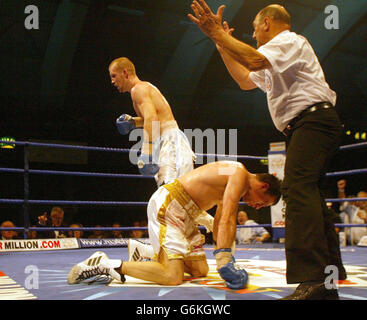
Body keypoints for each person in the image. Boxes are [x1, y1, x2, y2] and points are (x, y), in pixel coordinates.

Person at [188, 1, 346, 299]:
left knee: (298, 191)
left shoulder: (286, 40)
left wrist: (219, 35)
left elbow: (254, 61)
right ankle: (330, 274)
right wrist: (220, 44)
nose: (252, 34)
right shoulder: (276, 54)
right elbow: (247, 80)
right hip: (310, 124)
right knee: (309, 194)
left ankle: (314, 282)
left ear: (266, 23)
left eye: (253, 28)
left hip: (313, 122)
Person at [67, 161, 281, 289]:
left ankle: (145, 252)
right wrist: (224, 257)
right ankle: (105, 264)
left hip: (187, 213)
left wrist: (226, 257)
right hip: (171, 205)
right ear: (263, 186)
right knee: (173, 276)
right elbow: (227, 217)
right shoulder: (239, 173)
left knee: (200, 270)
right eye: (263, 203)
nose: (257, 206)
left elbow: (220, 220)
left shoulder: (234, 179)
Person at [109, 57, 196, 187]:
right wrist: (133, 122)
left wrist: (147, 151)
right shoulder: (142, 90)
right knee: (176, 195)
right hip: (169, 141)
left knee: (171, 194)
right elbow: (152, 117)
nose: (112, 81)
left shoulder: (137, 90)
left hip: (169, 142)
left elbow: (152, 119)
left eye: (114, 76)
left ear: (125, 73)